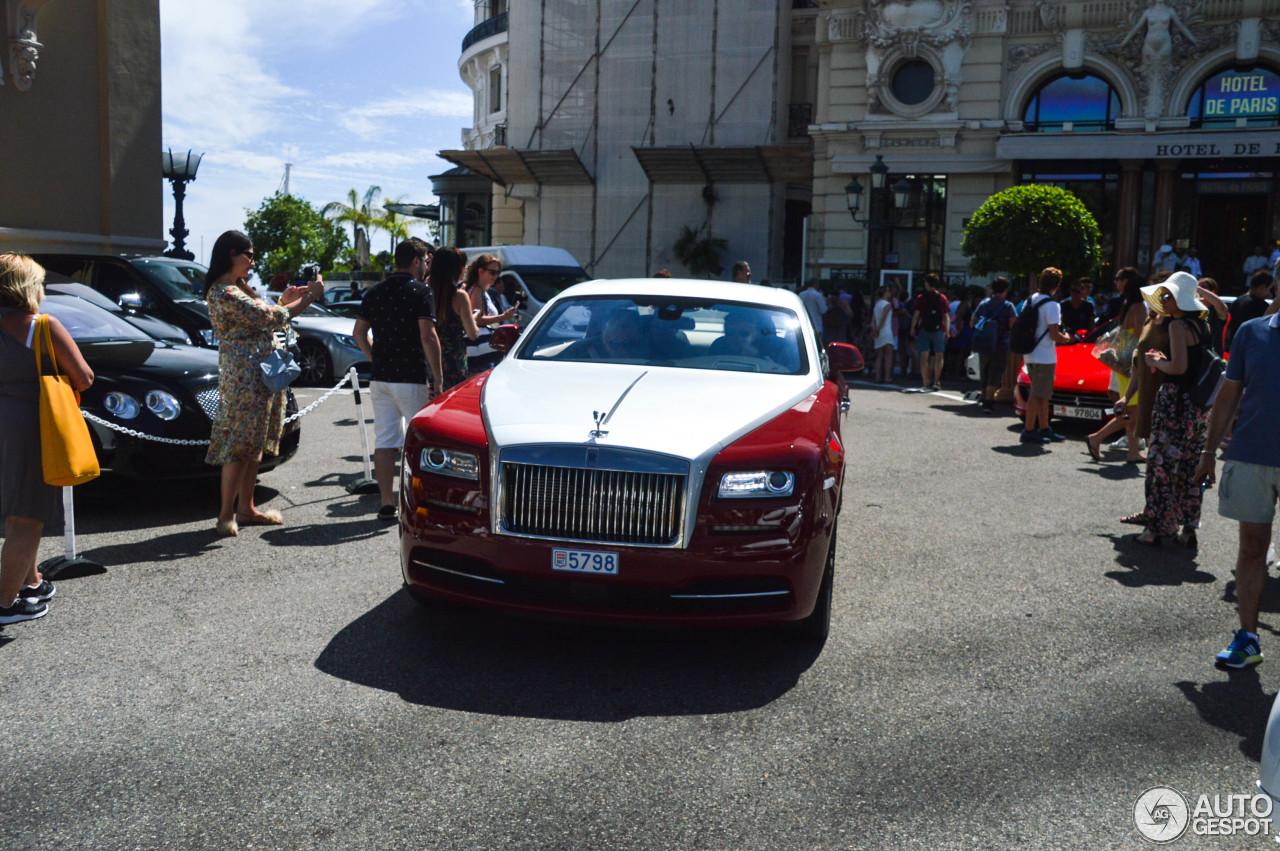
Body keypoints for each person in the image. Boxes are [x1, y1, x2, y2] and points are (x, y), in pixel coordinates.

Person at [204, 232, 322, 537]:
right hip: (244, 380)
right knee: (239, 445)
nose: (253, 262)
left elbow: (269, 314)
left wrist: (286, 300)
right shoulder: (223, 292)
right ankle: (225, 515)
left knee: (253, 444)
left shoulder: (238, 288)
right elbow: (268, 317)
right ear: (232, 254)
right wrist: (307, 298)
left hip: (258, 377)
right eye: (250, 256)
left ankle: (246, 509)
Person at [0, 254, 94, 624]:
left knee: (16, 511)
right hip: (33, 424)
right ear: (26, 287)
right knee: (29, 516)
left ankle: (31, 582)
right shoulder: (42, 325)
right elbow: (84, 377)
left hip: (4, 421)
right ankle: (4, 602)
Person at [1194, 300, 1280, 668]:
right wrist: (1208, 451)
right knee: (1251, 548)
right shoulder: (1253, 332)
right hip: (1252, 454)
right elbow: (1230, 393)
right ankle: (1248, 639)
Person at [354, 238, 443, 522]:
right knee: (419, 441)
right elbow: (428, 336)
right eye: (426, 261)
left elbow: (358, 332)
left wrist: (373, 356)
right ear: (416, 261)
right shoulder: (421, 291)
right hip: (411, 376)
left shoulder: (375, 291)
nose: (427, 266)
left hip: (381, 376)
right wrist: (438, 377)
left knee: (385, 439)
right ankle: (416, 501)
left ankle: (386, 500)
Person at [1126, 272, 1211, 546]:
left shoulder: (1177, 327)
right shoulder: (1202, 325)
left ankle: (1156, 528)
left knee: (1161, 466)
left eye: (1167, 295)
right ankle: (1188, 528)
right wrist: (1166, 360)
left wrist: (1155, 361)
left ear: (1179, 298)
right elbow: (1191, 363)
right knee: (1189, 467)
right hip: (1196, 407)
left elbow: (1178, 368)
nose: (1163, 299)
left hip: (1174, 402)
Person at [1086, 269, 1149, 464]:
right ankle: (1097, 437)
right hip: (1133, 364)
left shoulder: (1129, 304)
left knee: (1132, 411)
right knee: (1133, 412)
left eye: (1118, 279)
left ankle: (1132, 451)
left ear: (1127, 282)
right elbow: (1141, 337)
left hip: (1124, 363)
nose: (1116, 283)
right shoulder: (1138, 306)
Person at [1020, 267, 1073, 444]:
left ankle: (1044, 427)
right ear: (1056, 285)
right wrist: (1067, 338)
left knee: (1043, 394)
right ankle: (1029, 430)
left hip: (1030, 353)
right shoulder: (1052, 305)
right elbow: (1054, 334)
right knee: (1037, 394)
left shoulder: (1031, 300)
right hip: (1045, 356)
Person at [430, 247, 480, 390]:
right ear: (455, 268)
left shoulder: (426, 292)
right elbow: (472, 334)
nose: (465, 269)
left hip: (430, 360)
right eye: (463, 265)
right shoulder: (459, 296)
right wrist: (474, 317)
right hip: (453, 362)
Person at [464, 253, 519, 373]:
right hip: (478, 347)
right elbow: (477, 319)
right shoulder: (477, 290)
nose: (495, 276)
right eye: (492, 272)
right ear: (481, 271)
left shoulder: (482, 291)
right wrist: (502, 317)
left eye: (498, 273)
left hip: (481, 348)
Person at [970, 276, 1017, 414]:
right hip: (1001, 344)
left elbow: (972, 322)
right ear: (1005, 290)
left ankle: (984, 398)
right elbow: (1013, 323)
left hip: (984, 343)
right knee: (995, 374)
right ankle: (988, 402)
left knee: (984, 371)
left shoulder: (983, 304)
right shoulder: (1008, 306)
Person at [910, 273, 949, 391]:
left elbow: (916, 315)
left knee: (924, 356)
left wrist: (913, 327)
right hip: (938, 329)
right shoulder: (942, 298)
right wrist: (947, 330)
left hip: (924, 329)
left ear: (927, 284)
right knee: (939, 356)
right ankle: (936, 382)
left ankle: (925, 383)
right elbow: (946, 316)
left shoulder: (921, 297)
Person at [1225, 271, 1273, 353]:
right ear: (1262, 287)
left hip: (1234, 347)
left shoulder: (1237, 301)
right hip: (1252, 349)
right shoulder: (1261, 305)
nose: (1269, 293)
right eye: (1268, 289)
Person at [871, 286, 895, 383]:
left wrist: (875, 330)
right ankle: (887, 377)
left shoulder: (877, 305)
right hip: (886, 331)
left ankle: (878, 376)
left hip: (878, 333)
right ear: (885, 293)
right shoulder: (887, 304)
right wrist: (878, 329)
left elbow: (873, 320)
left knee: (879, 355)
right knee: (889, 355)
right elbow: (883, 318)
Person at [799, 278, 825, 344]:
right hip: (816, 325)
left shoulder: (801, 294)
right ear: (815, 284)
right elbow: (823, 310)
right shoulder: (818, 295)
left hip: (803, 324)